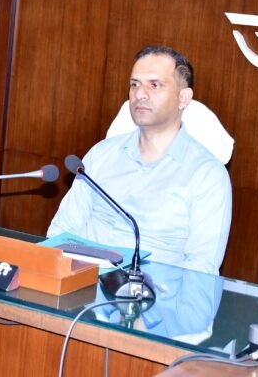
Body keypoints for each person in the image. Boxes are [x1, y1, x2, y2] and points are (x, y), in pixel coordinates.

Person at [47, 46, 232, 275]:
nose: (140, 94)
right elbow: (60, 231)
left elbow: (202, 267)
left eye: (154, 85)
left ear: (183, 98)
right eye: (134, 84)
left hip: (151, 292)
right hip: (80, 282)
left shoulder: (207, 174)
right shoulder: (102, 154)